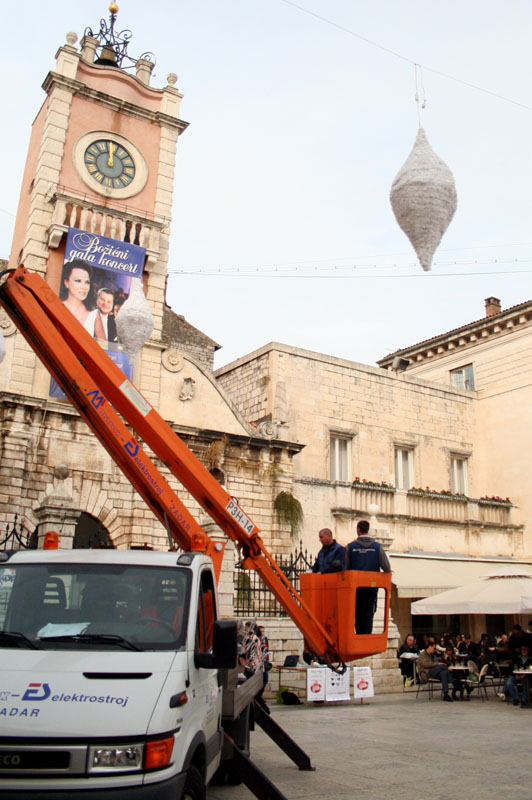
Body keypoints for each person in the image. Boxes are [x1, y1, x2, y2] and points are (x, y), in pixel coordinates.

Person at [347, 520, 391, 634]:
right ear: (368, 530)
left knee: (356, 613)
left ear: (358, 530)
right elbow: (386, 567)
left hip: (355, 589)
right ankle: (366, 637)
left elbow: (345, 567)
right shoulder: (377, 547)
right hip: (371, 588)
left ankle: (358, 635)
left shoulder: (351, 547)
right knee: (369, 613)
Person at [59, 260, 97, 332]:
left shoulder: (94, 314)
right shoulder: (56, 306)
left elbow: (103, 342)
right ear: (66, 282)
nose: (84, 287)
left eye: (87, 282)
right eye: (78, 281)